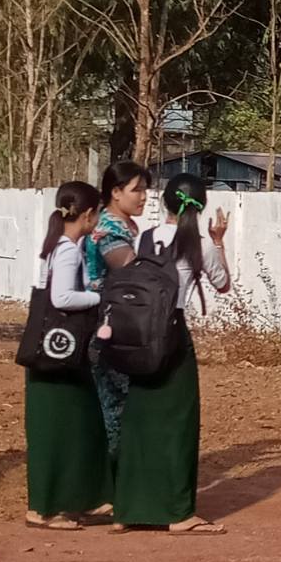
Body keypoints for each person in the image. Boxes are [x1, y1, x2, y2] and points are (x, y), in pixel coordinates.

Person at [111, 174, 232, 535]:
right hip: (173, 334)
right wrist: (218, 241)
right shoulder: (200, 245)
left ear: (164, 201)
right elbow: (223, 284)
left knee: (138, 421)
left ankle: (128, 508)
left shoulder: (145, 238)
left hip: (140, 334)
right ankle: (179, 513)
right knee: (179, 424)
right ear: (201, 206)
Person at [25, 182, 112, 531]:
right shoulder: (66, 251)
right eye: (98, 213)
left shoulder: (57, 245)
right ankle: (46, 508)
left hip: (50, 353)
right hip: (60, 356)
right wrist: (100, 298)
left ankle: (82, 498)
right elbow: (62, 298)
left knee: (79, 426)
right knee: (60, 432)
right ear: (88, 214)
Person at [84, 161, 152, 458]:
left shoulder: (121, 225)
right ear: (115, 192)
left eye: (145, 190)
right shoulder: (109, 230)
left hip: (115, 321)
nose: (144, 197)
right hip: (103, 326)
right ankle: (113, 476)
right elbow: (131, 273)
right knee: (114, 406)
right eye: (136, 190)